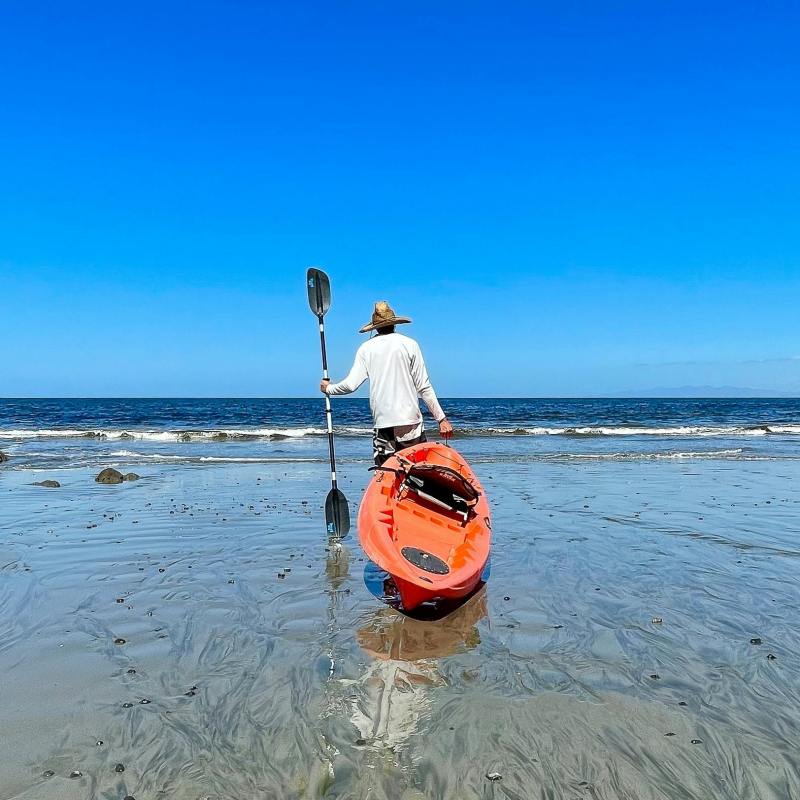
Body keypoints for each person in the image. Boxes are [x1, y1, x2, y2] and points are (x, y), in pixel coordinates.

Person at [320, 301, 453, 465]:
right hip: (410, 422)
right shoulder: (410, 345)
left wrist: (329, 388)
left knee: (385, 473)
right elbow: (424, 386)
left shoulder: (366, 349)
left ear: (375, 327)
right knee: (415, 472)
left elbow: (350, 385)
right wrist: (441, 419)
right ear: (394, 324)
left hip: (383, 424)